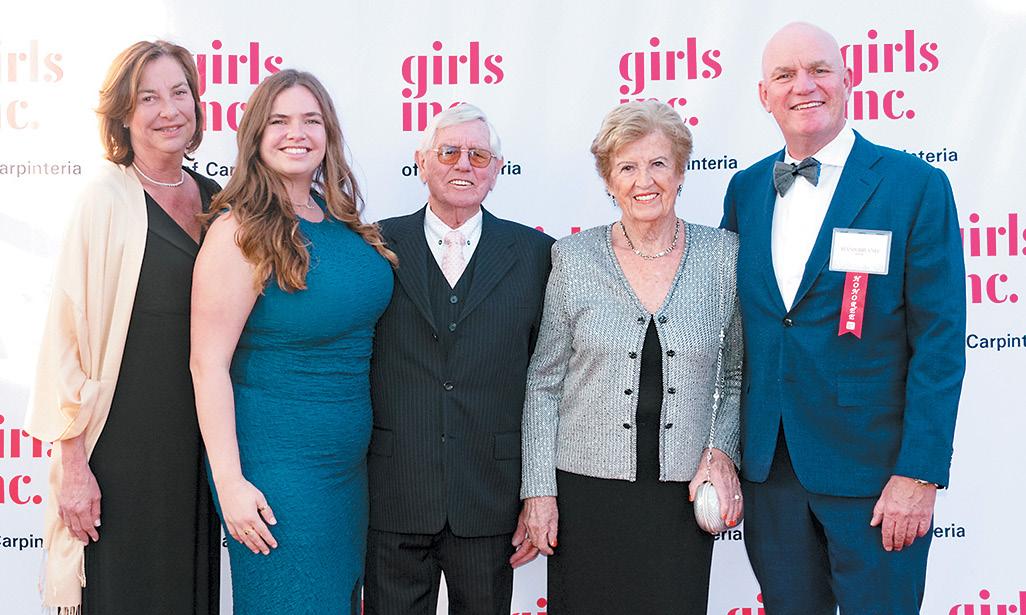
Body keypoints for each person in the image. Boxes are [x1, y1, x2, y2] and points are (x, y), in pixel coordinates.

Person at [721, 22, 966, 615]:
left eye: (819, 70)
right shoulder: (746, 190)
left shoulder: (915, 186)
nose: (803, 86)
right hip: (771, 474)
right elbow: (733, 334)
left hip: (876, 479)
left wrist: (919, 474)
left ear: (848, 80)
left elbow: (939, 343)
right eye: (784, 75)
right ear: (764, 95)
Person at [520, 100, 744, 613]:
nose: (645, 181)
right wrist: (539, 490)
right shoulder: (574, 257)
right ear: (608, 181)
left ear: (680, 172)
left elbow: (735, 374)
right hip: (584, 495)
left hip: (683, 494)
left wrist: (721, 452)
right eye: (627, 167)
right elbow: (544, 383)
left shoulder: (723, 256)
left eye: (658, 163)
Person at [24, 41, 221, 614]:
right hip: (120, 452)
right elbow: (65, 338)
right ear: (124, 114)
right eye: (148, 98)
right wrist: (74, 467)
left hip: (199, 447)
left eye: (180, 93)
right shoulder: (103, 199)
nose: (169, 110)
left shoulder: (217, 201)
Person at [190, 69, 396, 614]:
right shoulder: (238, 232)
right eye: (279, 121)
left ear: (328, 133)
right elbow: (207, 364)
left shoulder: (341, 220)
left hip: (348, 474)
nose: (296, 133)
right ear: (256, 135)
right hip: (276, 475)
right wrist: (230, 483)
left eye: (311, 120)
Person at [364, 103, 553, 615]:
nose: (463, 164)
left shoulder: (538, 255)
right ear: (422, 161)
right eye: (449, 151)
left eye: (478, 155)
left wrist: (538, 493)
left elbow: (551, 382)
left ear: (497, 169)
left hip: (490, 498)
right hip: (394, 492)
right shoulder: (373, 245)